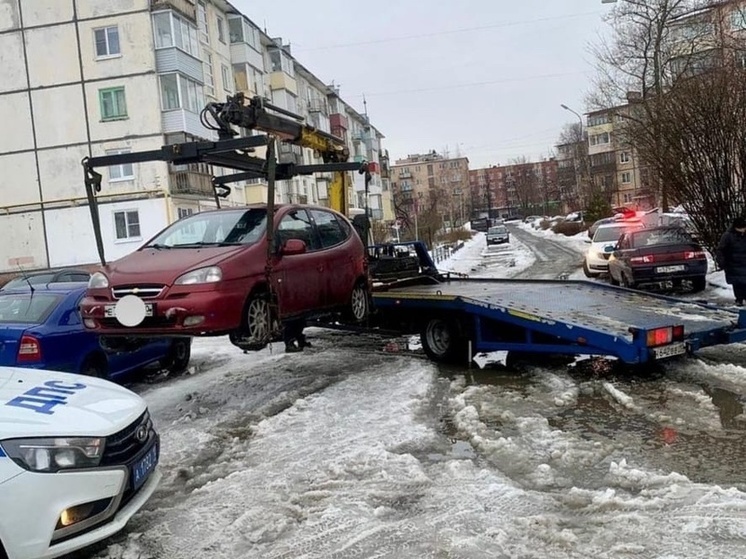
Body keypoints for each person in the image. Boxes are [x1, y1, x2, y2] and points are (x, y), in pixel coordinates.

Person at [716, 216, 746, 306]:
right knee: (738, 284)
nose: (743, 230)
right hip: (733, 264)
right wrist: (722, 262)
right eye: (741, 228)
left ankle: (741, 298)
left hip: (743, 263)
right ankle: (739, 299)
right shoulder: (728, 236)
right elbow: (721, 250)